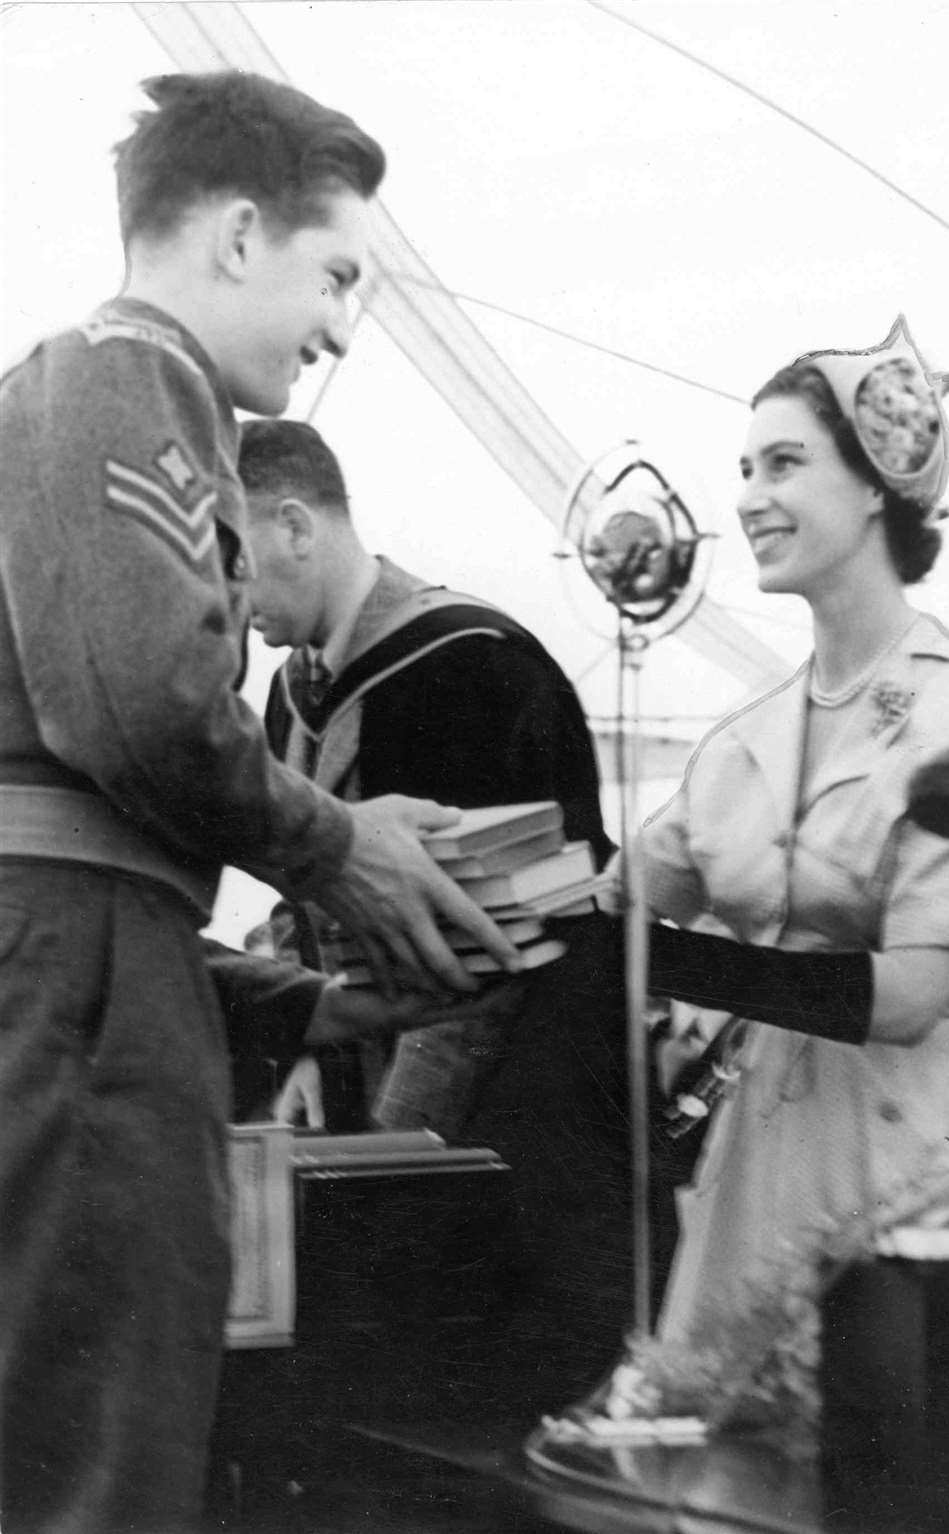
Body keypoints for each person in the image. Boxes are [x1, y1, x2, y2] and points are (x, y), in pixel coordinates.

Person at [0, 71, 520, 1534]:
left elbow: (79, 862)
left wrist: (298, 1006)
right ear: (237, 234)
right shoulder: (121, 373)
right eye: (335, 272)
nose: (343, 323)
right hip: (77, 1014)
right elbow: (140, 709)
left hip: (90, 986)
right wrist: (339, 843)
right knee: (97, 1474)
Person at [543, 317, 949, 1447]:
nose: (746, 498)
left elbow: (912, 997)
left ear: (878, 488)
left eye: (784, 463)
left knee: (900, 1472)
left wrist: (651, 957)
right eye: (743, 469)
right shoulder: (745, 740)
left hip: (910, 1187)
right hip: (751, 1184)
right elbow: (616, 897)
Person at [236, 417, 613, 1135]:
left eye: (233, 559)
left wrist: (404, 1146)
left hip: (509, 1119)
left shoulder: (477, 666)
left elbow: (504, 957)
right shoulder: (288, 698)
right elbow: (295, 902)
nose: (225, 593)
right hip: (367, 1100)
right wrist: (306, 1046)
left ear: (293, 528)